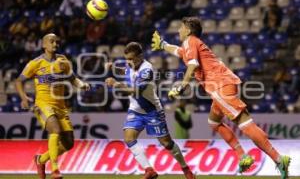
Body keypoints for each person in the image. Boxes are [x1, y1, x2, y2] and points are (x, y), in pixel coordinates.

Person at [151, 17, 291, 178]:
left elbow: (193, 65)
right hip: (221, 85)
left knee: (244, 123)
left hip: (220, 86)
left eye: (181, 27)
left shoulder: (190, 41)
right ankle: (243, 157)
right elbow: (178, 51)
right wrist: (162, 45)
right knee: (214, 122)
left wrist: (183, 85)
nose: (178, 30)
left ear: (188, 30)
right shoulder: (191, 44)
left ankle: (279, 159)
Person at [105, 42, 195, 179]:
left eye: (132, 59)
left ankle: (185, 168)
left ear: (140, 56)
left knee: (167, 143)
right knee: (129, 138)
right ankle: (149, 170)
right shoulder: (130, 65)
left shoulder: (147, 70)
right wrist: (113, 68)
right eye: (127, 59)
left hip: (152, 111)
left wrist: (116, 84)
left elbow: (136, 91)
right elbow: (125, 71)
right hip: (135, 111)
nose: (129, 62)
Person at [15, 33, 90, 179]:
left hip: (60, 106)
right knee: (55, 130)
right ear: (44, 45)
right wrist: (23, 97)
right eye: (52, 41)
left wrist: (82, 85)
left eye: (57, 41)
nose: (55, 44)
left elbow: (73, 79)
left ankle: (40, 160)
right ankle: (55, 169)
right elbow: (19, 81)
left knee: (68, 143)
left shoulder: (63, 61)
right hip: (42, 104)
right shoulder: (35, 63)